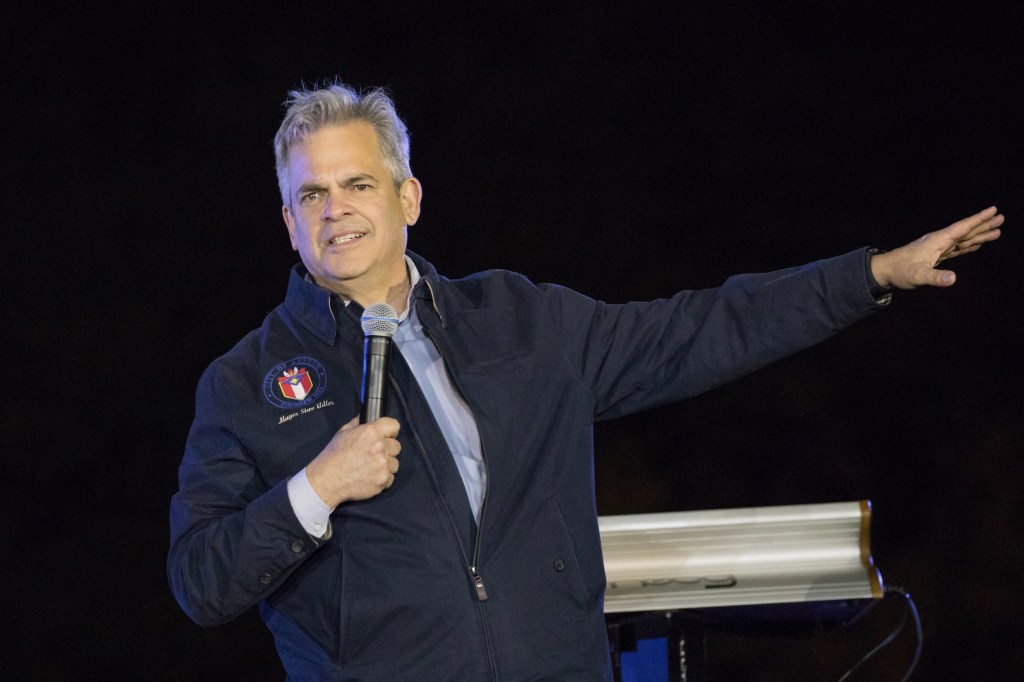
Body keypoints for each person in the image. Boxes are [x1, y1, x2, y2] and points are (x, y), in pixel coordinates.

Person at [167, 80, 1003, 681]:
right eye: (309, 193)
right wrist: (314, 489)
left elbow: (705, 327)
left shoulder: (522, 320)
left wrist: (873, 276)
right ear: (286, 220)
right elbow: (200, 581)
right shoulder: (244, 384)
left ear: (408, 196)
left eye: (357, 184)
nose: (334, 210)